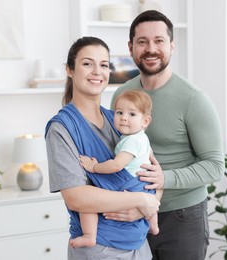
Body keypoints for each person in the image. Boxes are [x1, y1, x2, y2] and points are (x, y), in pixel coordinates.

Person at [109, 10, 225, 260]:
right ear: (131, 48)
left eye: (159, 41)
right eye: (142, 42)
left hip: (182, 217)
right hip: (132, 212)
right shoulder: (122, 95)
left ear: (172, 46)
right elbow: (115, 151)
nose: (151, 49)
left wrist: (165, 178)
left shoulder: (194, 99)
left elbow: (215, 166)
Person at [45, 36, 160, 260]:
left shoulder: (119, 120)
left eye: (104, 65)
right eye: (87, 64)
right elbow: (76, 197)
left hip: (137, 241)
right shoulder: (61, 129)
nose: (97, 71)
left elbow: (153, 174)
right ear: (70, 69)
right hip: (100, 247)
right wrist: (140, 200)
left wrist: (148, 203)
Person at [71, 89, 161, 248]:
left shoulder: (131, 141)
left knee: (88, 202)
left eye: (132, 114)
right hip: (144, 185)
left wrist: (94, 167)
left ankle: (89, 235)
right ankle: (154, 225)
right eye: (119, 112)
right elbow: (150, 157)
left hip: (131, 185)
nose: (124, 118)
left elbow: (116, 165)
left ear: (145, 121)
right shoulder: (141, 138)